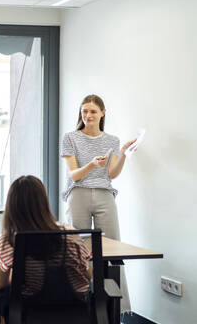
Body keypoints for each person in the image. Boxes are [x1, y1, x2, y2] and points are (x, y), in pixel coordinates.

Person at [60, 94, 134, 311]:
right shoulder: (70, 137)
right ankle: (76, 304)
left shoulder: (112, 141)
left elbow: (111, 173)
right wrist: (92, 165)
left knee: (113, 249)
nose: (88, 115)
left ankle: (117, 308)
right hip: (78, 194)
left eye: (92, 111)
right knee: (77, 250)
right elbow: (73, 175)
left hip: (104, 195)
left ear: (103, 113)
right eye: (84, 111)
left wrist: (123, 156)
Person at [0, 175, 91, 324]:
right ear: (44, 203)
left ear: (11, 206)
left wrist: (19, 274)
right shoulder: (69, 234)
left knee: (2, 294)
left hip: (31, 312)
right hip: (77, 312)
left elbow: (1, 283)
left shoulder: (11, 240)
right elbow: (88, 275)